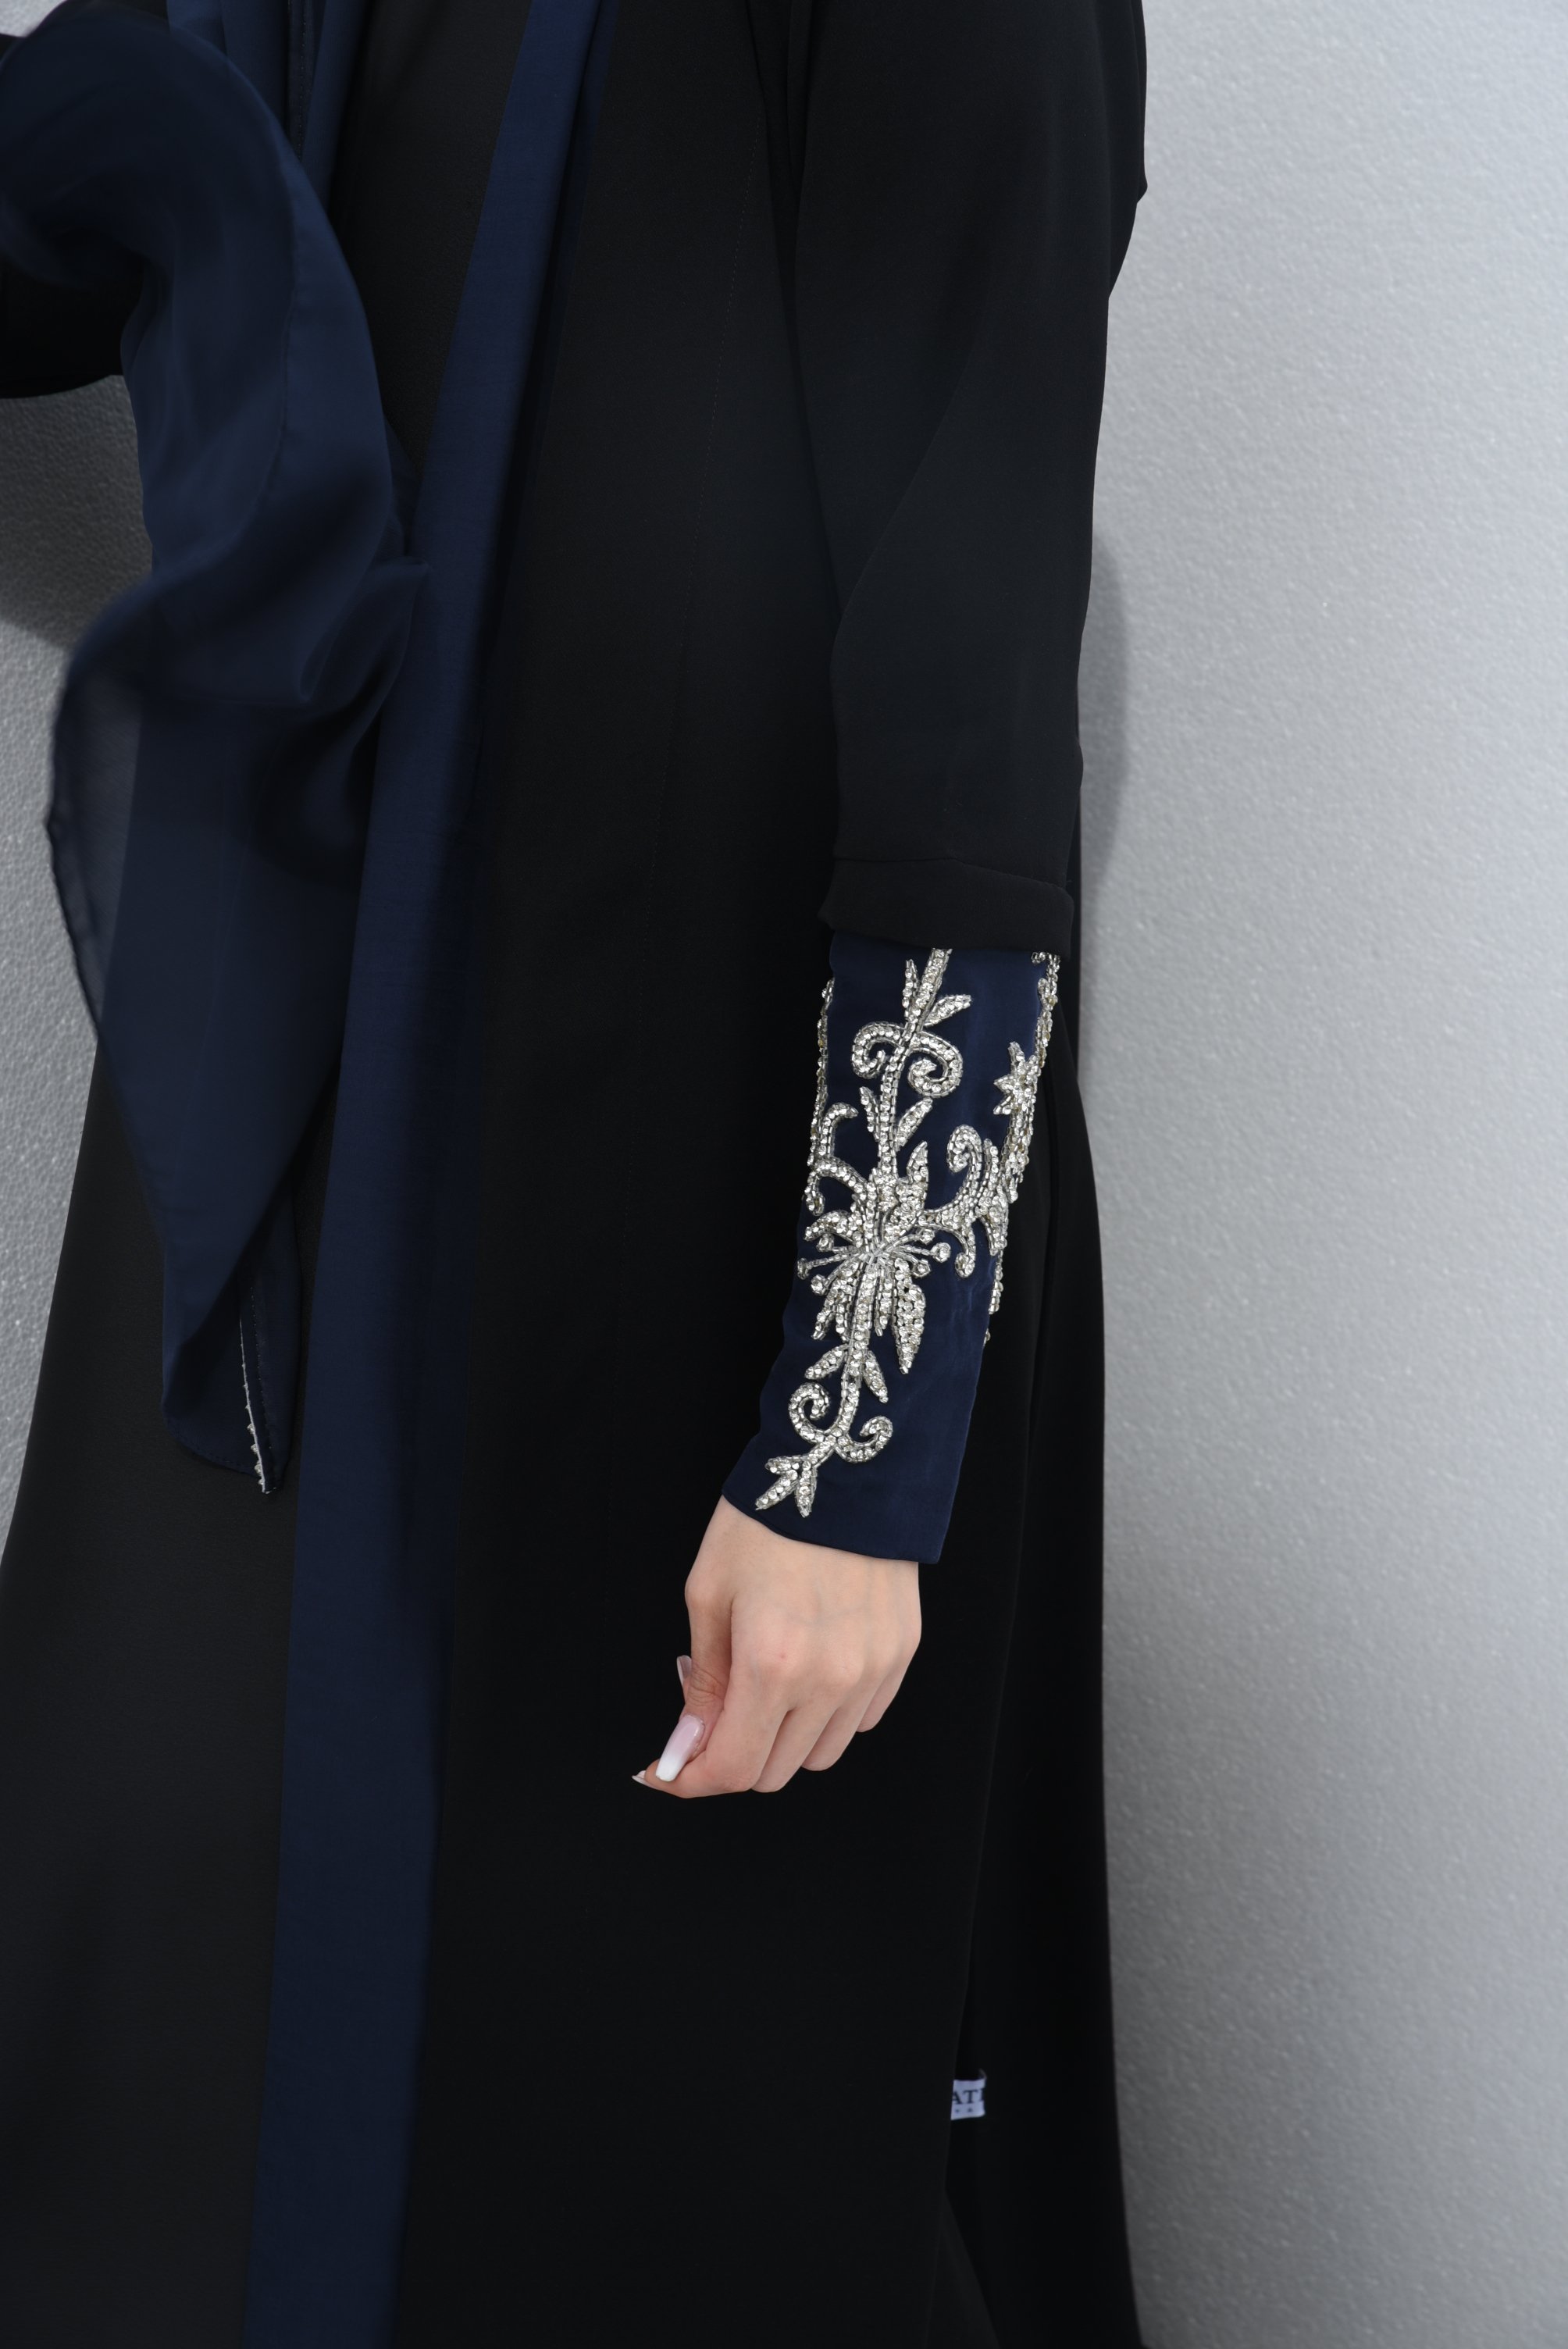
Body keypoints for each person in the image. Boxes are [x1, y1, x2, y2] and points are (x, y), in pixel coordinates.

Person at [0, 0, 1148, 2341]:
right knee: (165, 2046)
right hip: (288, 1193)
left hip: (698, 1237)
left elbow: (966, 712)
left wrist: (848, 1451)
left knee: (621, 2121)